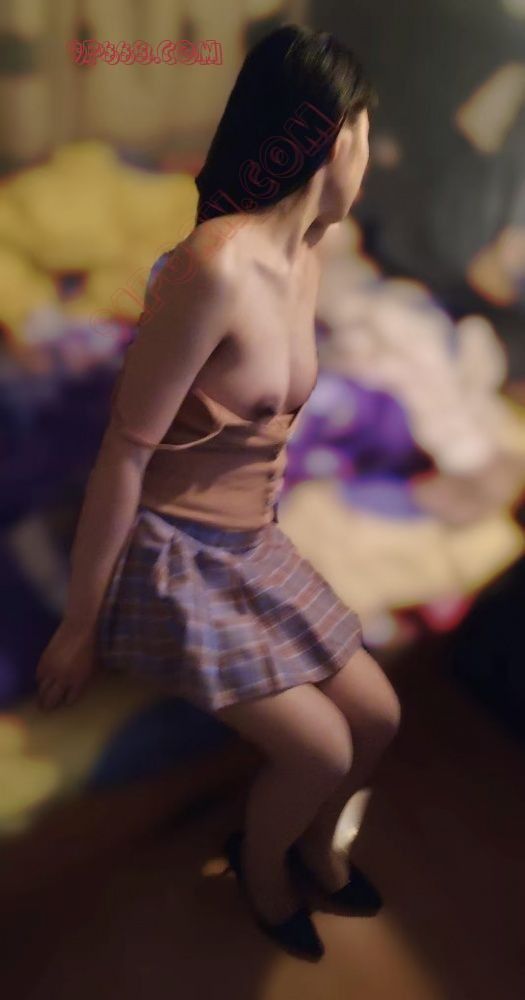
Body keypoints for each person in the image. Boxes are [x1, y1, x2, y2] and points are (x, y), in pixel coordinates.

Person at [36, 25, 401, 960]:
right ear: (333, 138)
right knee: (320, 746)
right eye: (366, 134)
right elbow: (124, 453)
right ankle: (260, 867)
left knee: (378, 715)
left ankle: (315, 847)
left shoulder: (311, 250)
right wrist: (79, 623)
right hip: (169, 555)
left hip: (249, 542)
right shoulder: (211, 268)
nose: (373, 155)